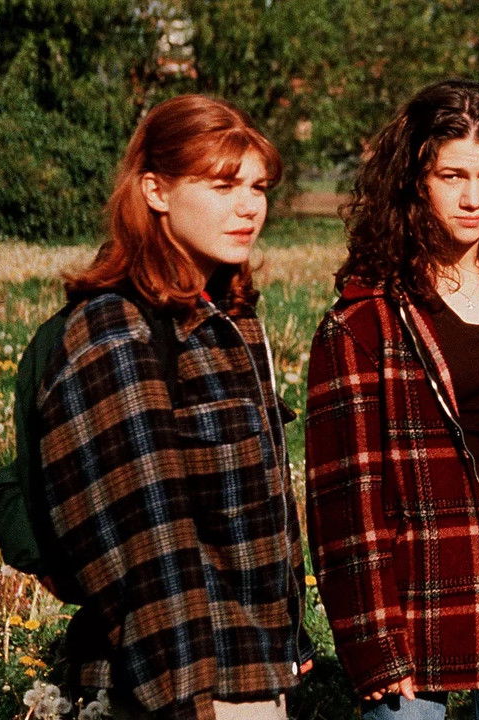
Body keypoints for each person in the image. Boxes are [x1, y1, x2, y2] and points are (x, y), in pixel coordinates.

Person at [36, 94, 305, 720]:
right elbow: (147, 543)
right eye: (222, 186)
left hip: (254, 669)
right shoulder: (119, 329)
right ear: (155, 191)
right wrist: (190, 703)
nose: (249, 207)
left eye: (258, 187)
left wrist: (289, 644)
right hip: (184, 684)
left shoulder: (227, 315)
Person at [305, 80, 479, 720]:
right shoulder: (367, 318)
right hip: (424, 558)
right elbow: (345, 501)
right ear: (414, 181)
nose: (473, 198)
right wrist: (372, 643)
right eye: (452, 176)